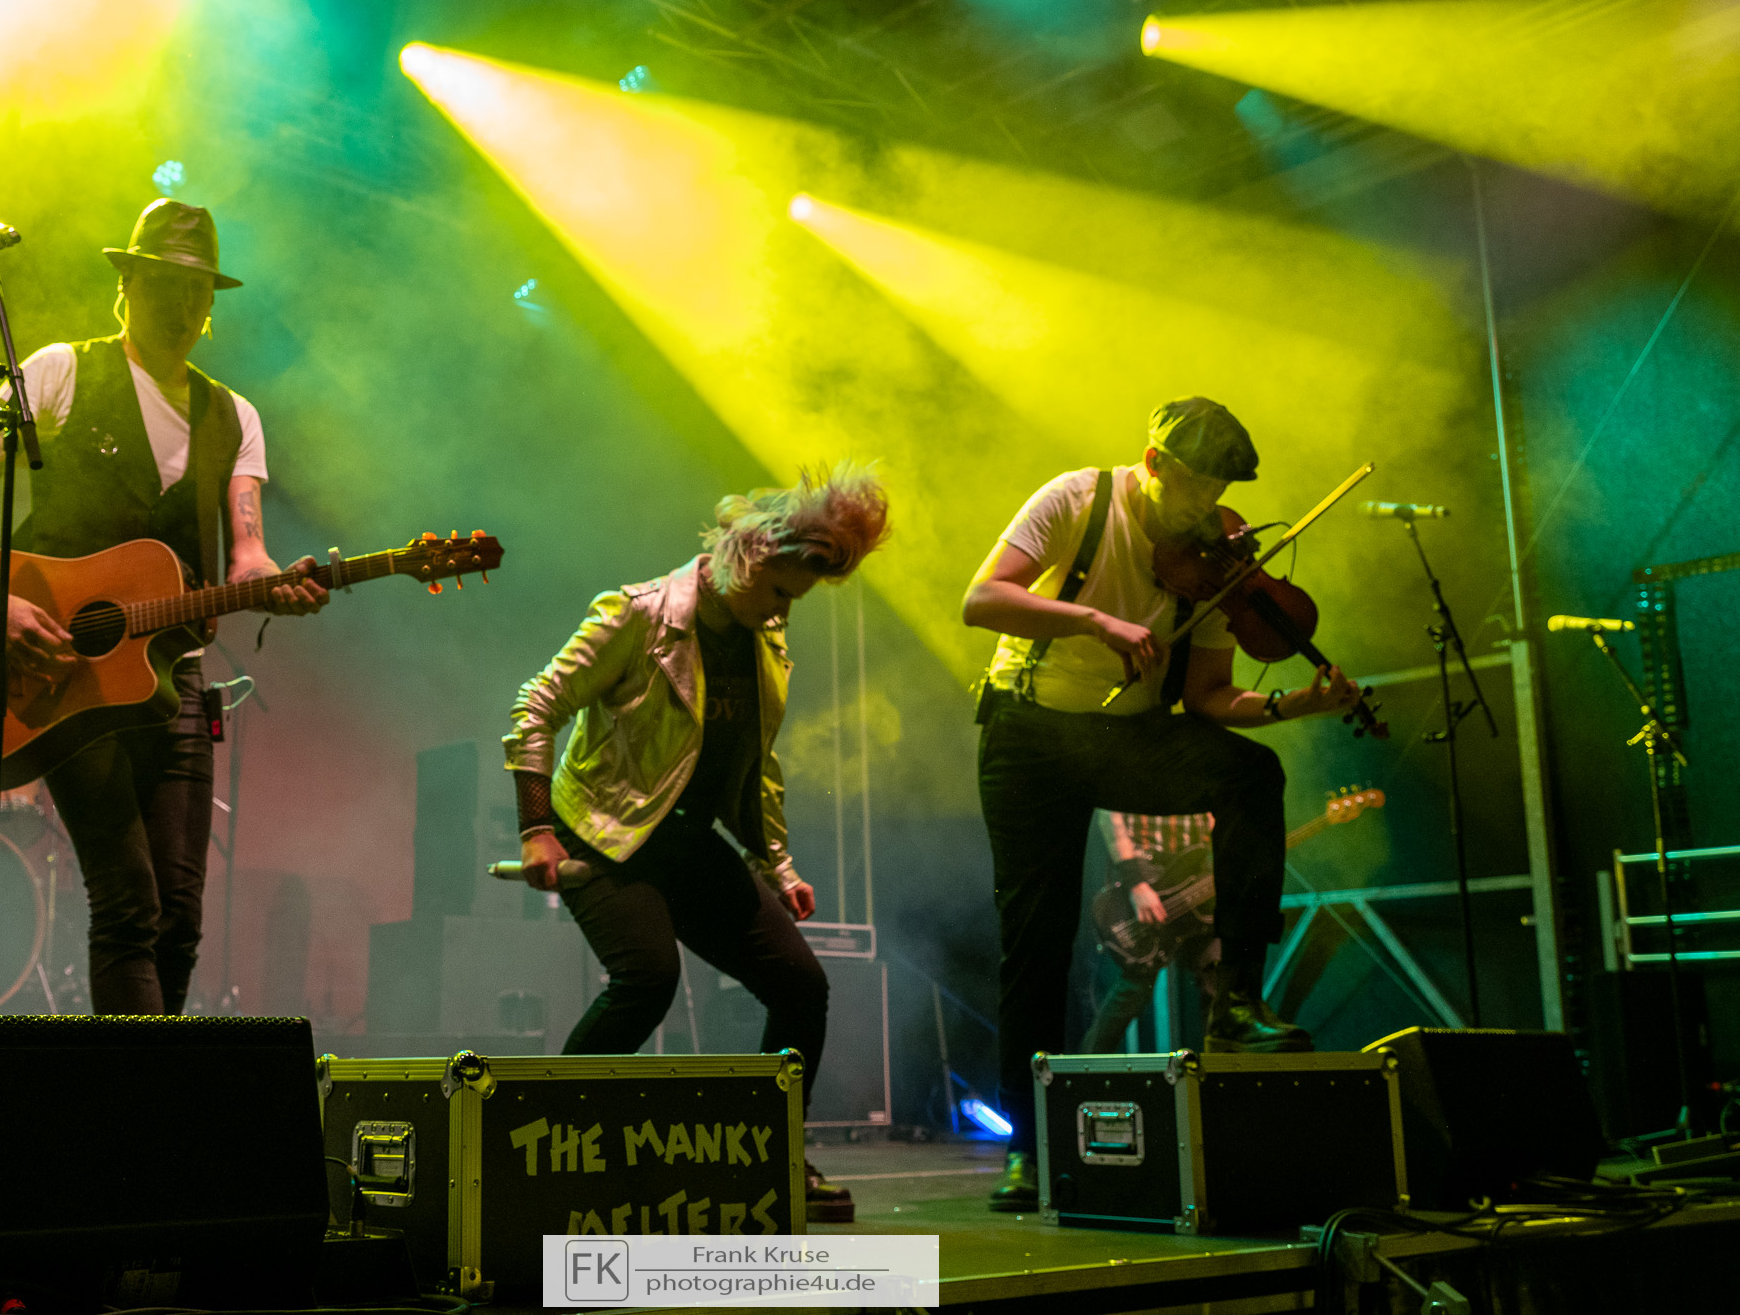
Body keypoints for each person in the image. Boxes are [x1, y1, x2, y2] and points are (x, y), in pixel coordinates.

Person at [0, 198, 327, 1016]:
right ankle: (139, 1088)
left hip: (176, 682)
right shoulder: (61, 371)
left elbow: (247, 554)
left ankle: (143, 1078)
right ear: (127, 285)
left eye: (198, 288)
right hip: (63, 678)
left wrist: (277, 584)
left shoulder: (233, 416)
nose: (184, 302)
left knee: (179, 917)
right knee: (129, 902)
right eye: (167, 282)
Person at [961, 397, 1362, 1212]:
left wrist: (1294, 704)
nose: (1205, 508)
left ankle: (1236, 1001)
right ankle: (1028, 1147)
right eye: (1192, 486)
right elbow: (982, 600)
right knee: (1036, 937)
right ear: (1152, 464)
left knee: (1249, 774)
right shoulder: (1075, 499)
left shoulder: (1213, 557)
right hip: (1031, 732)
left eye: (1218, 490)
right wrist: (1093, 620)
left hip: (1126, 735)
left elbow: (1209, 695)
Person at [503, 465, 889, 1224]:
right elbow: (535, 706)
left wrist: (777, 865)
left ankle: (770, 1154)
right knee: (648, 978)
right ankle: (537, 1146)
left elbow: (753, 760)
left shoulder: (762, 636)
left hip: (681, 835)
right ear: (749, 555)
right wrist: (536, 829)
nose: (783, 610)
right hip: (604, 830)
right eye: (779, 591)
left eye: (794, 600)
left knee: (800, 985)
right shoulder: (637, 614)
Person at [1078, 809, 1220, 1056]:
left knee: (1216, 974)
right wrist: (1136, 882)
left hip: (1197, 865)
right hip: (1146, 867)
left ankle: (1219, 1073)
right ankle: (1083, 1072)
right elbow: (1109, 815)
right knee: (1136, 984)